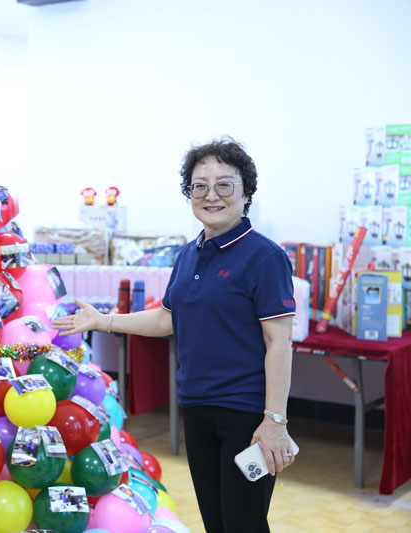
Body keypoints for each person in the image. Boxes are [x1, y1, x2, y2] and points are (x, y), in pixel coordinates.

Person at [53, 138, 296, 533]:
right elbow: (166, 319)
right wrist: (102, 321)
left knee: (244, 523)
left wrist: (274, 421)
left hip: (245, 414)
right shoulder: (188, 254)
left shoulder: (264, 257)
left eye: (224, 184)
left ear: (246, 192)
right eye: (199, 186)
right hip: (197, 408)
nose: (211, 195)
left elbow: (279, 343)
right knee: (216, 523)